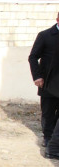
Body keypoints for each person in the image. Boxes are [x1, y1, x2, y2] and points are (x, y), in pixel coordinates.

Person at [28, 12, 59, 148]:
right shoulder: (45, 35)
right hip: (48, 82)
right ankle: (48, 137)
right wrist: (37, 76)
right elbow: (33, 57)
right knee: (48, 112)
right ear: (57, 19)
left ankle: (56, 139)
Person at [44, 29, 59, 159]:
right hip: (54, 84)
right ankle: (52, 149)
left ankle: (53, 148)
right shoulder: (46, 35)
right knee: (48, 114)